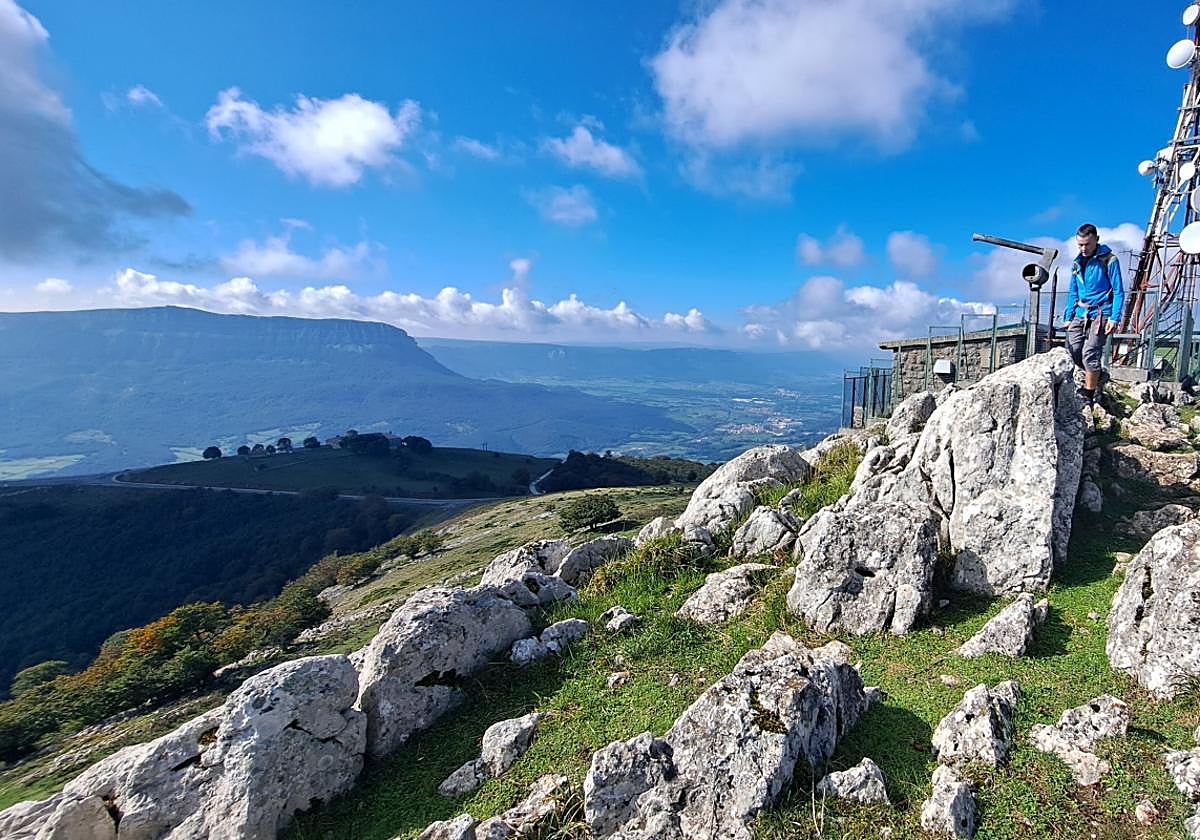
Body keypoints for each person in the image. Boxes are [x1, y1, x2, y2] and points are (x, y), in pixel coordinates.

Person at [1063, 223, 1124, 405]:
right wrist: (1068, 317)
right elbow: (1073, 291)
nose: (1083, 248)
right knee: (1073, 351)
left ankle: (1089, 395)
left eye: (1087, 244)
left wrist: (1114, 317)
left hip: (1101, 313)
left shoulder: (1109, 260)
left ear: (1096, 240)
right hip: (1080, 313)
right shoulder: (1076, 263)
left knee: (1090, 352)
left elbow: (1119, 291)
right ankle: (1097, 375)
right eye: (1080, 244)